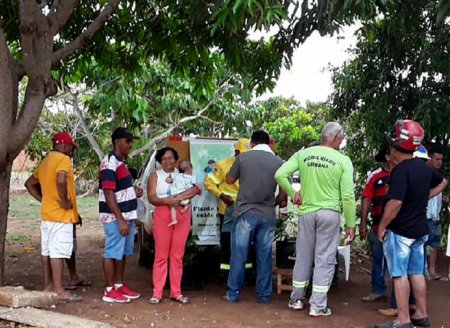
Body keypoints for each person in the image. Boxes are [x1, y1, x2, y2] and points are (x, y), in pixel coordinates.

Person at [275, 122, 356, 317]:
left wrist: (293, 194)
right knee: (325, 259)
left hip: (307, 213)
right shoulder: (343, 160)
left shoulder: (303, 154)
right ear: (336, 138)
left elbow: (279, 174)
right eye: (342, 138)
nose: (342, 142)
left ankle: (296, 299)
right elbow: (347, 196)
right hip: (329, 214)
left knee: (303, 256)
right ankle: (317, 306)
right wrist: (351, 225)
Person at [375, 120, 447, 328]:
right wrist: (423, 197)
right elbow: (443, 182)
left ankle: (403, 319)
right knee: (416, 273)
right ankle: (421, 315)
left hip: (401, 232)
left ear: (395, 148)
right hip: (420, 231)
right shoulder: (424, 169)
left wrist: (382, 226)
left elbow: (395, 203)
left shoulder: (400, 171)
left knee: (399, 275)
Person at [225, 130, 286, 304]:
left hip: (245, 213)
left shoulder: (243, 158)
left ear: (252, 143)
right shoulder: (279, 162)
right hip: (267, 215)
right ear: (268, 143)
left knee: (239, 254)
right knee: (265, 256)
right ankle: (264, 296)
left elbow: (229, 180)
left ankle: (233, 293)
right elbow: (282, 196)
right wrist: (271, 204)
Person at [24, 132, 82, 302]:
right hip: (60, 216)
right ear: (64, 145)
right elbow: (61, 180)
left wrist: (44, 199)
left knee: (47, 250)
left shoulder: (47, 160)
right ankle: (59, 289)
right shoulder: (63, 159)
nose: (72, 151)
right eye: (71, 147)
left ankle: (48, 285)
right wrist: (63, 201)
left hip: (47, 213)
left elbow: (29, 183)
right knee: (58, 252)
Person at [147, 147, 201, 304]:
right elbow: (151, 197)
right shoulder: (155, 176)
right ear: (159, 161)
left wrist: (179, 198)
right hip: (163, 214)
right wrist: (169, 201)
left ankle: (176, 292)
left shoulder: (182, 175)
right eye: (164, 158)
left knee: (177, 255)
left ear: (176, 160)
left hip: (182, 214)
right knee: (161, 255)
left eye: (171, 158)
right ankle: (157, 293)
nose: (167, 161)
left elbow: (197, 189)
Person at [99, 127, 143, 303]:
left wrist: (133, 190)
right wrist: (120, 220)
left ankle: (119, 285)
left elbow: (118, 188)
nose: (131, 145)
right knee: (112, 252)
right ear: (117, 141)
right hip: (115, 217)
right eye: (128, 141)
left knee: (122, 253)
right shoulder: (110, 163)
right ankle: (109, 290)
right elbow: (109, 193)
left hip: (126, 216)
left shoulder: (120, 163)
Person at [204, 138, 251, 281]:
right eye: (241, 154)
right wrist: (221, 195)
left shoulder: (252, 165)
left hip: (246, 209)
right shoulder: (224, 165)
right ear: (236, 151)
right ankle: (225, 275)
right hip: (227, 210)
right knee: (227, 243)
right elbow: (209, 181)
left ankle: (246, 275)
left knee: (246, 243)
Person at [360, 147, 393, 302]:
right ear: (387, 156)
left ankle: (399, 295)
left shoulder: (403, 173)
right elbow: (366, 199)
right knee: (378, 259)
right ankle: (378, 290)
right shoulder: (375, 176)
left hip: (398, 227)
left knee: (397, 262)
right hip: (377, 225)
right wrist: (363, 223)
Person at [424, 146, 448, 280]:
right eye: (437, 159)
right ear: (430, 158)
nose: (439, 162)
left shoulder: (438, 175)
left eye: (441, 160)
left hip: (435, 215)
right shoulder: (424, 173)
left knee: (434, 244)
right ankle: (422, 272)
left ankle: (432, 272)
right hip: (424, 216)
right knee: (423, 244)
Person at [167, 160, 202, 227]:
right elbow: (197, 186)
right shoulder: (191, 177)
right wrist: (200, 190)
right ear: (189, 169)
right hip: (184, 198)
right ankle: (185, 207)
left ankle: (174, 219)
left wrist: (171, 179)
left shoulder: (176, 175)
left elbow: (168, 180)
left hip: (174, 196)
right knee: (187, 201)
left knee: (172, 207)